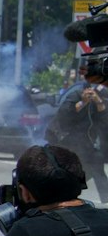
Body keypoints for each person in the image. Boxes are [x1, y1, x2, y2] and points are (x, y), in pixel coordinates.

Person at [45, 54, 108, 200]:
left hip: (84, 142)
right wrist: (83, 103)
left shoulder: (102, 96)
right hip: (63, 140)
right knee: (66, 172)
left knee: (95, 165)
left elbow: (104, 121)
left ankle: (105, 200)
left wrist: (99, 103)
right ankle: (59, 196)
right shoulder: (75, 93)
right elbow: (64, 116)